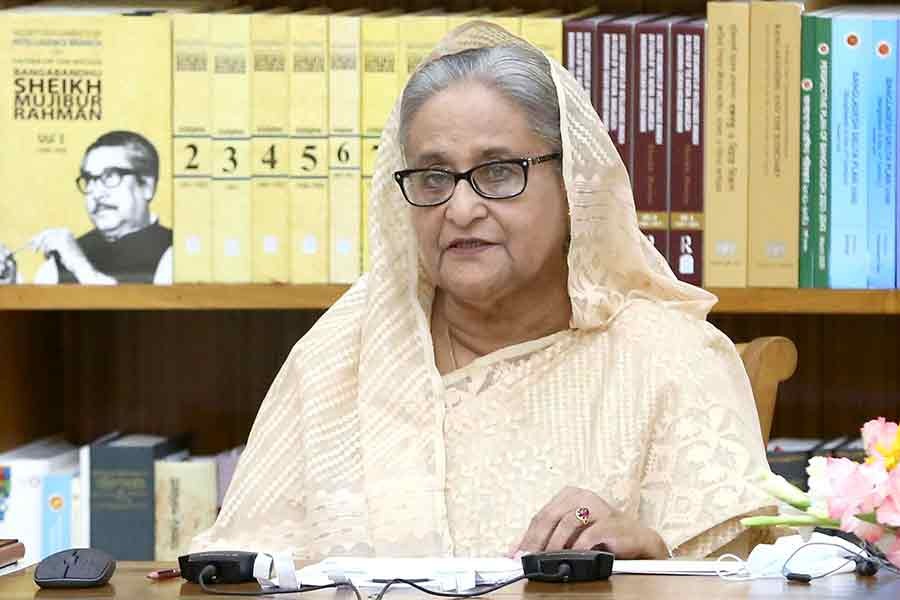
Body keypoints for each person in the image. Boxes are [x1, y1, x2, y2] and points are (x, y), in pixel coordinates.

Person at [192, 22, 775, 560]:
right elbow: (243, 569)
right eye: (434, 176)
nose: (461, 208)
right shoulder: (345, 354)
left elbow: (741, 579)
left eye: (498, 171)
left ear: (572, 182)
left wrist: (651, 562)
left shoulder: (668, 360)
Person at [13, 130, 172, 284]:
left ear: (146, 186)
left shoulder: (176, 254)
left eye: (110, 176)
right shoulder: (60, 261)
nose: (96, 193)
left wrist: (79, 264)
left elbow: (137, 309)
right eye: (90, 180)